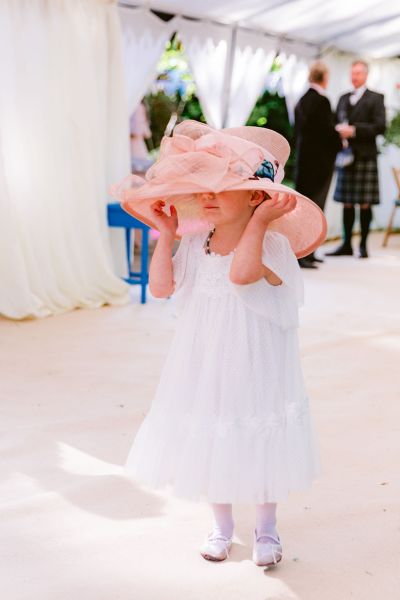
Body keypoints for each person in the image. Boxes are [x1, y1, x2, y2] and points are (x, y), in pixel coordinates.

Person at [112, 121, 325, 567]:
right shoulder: (194, 242)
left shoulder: (271, 243)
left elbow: (241, 275)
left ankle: (266, 528)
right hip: (206, 357)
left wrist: (264, 219)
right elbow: (162, 288)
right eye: (202, 187)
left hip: (256, 358)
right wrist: (167, 234)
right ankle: (221, 526)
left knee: (258, 429)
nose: (207, 196)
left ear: (254, 196)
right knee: (215, 430)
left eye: (222, 187)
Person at [326, 60, 386, 258]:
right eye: (353, 73)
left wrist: (354, 131)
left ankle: (363, 246)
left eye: (359, 73)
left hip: (365, 156)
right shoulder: (343, 98)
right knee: (347, 202)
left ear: (366, 75)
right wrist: (337, 130)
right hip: (345, 156)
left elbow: (380, 127)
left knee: (365, 202)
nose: (355, 77)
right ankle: (346, 245)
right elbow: (334, 121)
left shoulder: (376, 98)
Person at [295, 61, 341, 269]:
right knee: (315, 209)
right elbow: (327, 133)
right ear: (324, 78)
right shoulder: (322, 101)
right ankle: (306, 254)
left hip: (304, 163)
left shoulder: (302, 100)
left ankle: (306, 252)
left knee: (304, 208)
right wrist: (342, 139)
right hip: (320, 164)